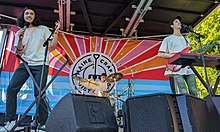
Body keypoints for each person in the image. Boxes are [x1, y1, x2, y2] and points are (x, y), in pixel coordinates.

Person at [0, 7, 60, 131]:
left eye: (31, 13)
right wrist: (20, 38)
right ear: (23, 16)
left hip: (41, 64)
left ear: (34, 17)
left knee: (39, 94)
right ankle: (10, 120)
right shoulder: (19, 32)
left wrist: (56, 33)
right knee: (12, 88)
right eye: (27, 13)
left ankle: (43, 123)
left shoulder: (42, 29)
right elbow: (19, 52)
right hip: (25, 63)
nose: (29, 15)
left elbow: (52, 47)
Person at [158, 16, 199, 96]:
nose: (179, 22)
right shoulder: (168, 39)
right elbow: (160, 54)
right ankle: (186, 107)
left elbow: (187, 51)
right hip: (175, 67)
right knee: (183, 90)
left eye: (179, 21)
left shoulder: (187, 39)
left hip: (187, 66)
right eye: (176, 22)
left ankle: (195, 107)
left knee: (193, 90)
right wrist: (175, 56)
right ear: (172, 26)